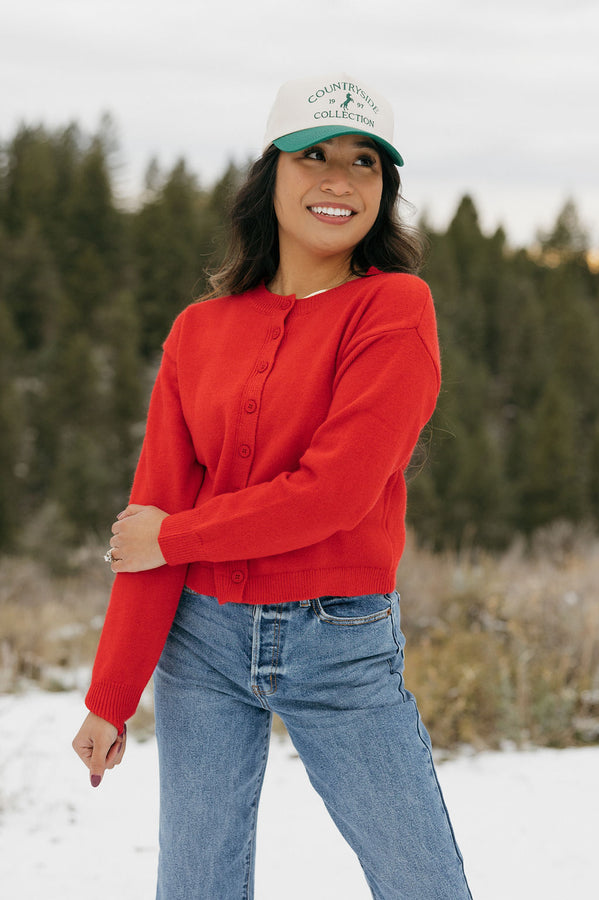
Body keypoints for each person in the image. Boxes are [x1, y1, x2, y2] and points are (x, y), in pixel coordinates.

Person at [73, 72, 473, 899]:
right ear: (272, 173)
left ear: (385, 188)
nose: (339, 180)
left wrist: (174, 537)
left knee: (422, 882)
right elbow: (150, 521)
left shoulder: (394, 307)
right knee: (196, 884)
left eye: (364, 162)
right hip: (200, 643)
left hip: (340, 640)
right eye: (314, 155)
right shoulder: (199, 330)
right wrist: (111, 693)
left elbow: (332, 494)